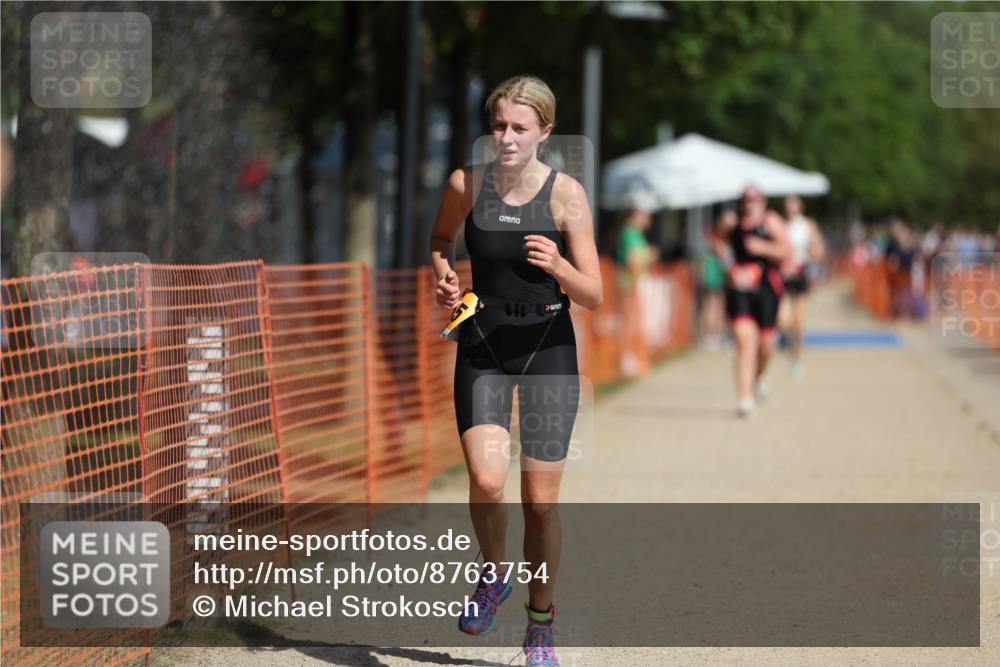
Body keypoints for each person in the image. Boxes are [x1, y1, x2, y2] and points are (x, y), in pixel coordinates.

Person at [429, 75, 602, 667]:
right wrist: (444, 276)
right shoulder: (466, 184)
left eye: (519, 128)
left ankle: (540, 627)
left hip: (547, 347)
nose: (506, 137)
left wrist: (560, 265)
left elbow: (595, 293)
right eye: (498, 125)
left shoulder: (566, 195)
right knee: (485, 481)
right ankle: (494, 574)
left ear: (544, 132)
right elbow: (440, 238)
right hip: (483, 343)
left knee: (539, 502)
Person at [723, 186, 792, 417]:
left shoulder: (770, 221)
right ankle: (745, 398)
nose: (750, 203)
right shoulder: (732, 222)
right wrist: (726, 261)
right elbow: (716, 240)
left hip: (766, 289)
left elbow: (787, 250)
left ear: (763, 201)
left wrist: (763, 247)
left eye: (754, 198)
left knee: (766, 344)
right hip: (740, 289)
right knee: (744, 341)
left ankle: (757, 376)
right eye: (746, 198)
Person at [779, 196, 825, 376]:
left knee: (799, 321)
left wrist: (812, 251)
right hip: (783, 274)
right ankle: (785, 338)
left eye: (794, 204)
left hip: (800, 273)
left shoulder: (807, 225)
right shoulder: (780, 224)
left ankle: (796, 358)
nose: (791, 208)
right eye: (788, 204)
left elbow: (819, 251)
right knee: (783, 319)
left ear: (800, 207)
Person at [616, 208, 655, 375]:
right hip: (629, 284)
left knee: (635, 321)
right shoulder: (629, 234)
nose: (648, 219)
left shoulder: (637, 234)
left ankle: (635, 356)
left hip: (636, 283)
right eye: (645, 215)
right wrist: (649, 256)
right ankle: (627, 357)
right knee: (629, 322)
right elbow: (633, 261)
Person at [699, 210, 736, 349]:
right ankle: (710, 335)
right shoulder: (716, 239)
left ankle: (717, 335)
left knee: (719, 306)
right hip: (714, 275)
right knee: (712, 305)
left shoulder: (722, 239)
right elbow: (723, 256)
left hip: (721, 275)